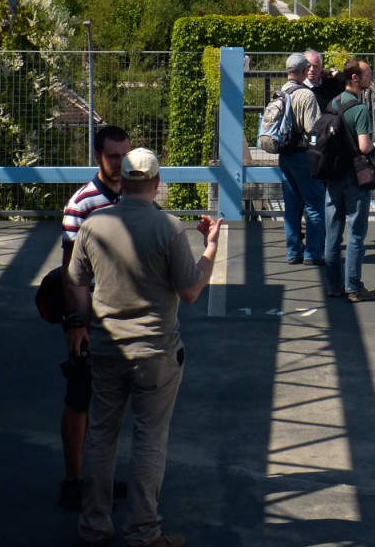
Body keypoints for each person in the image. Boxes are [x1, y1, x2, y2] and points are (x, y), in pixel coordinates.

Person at [67, 147, 223, 547]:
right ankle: (143, 532)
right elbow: (191, 290)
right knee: (150, 439)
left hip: (106, 348)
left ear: (123, 180)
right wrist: (210, 248)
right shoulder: (168, 227)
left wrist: (87, 323)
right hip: (156, 352)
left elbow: (75, 281)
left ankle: (94, 525)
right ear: (156, 183)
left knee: (100, 435)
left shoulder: (94, 224)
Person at [58, 124, 131, 510]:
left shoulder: (135, 197)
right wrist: (76, 323)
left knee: (111, 403)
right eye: (112, 157)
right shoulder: (81, 204)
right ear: (98, 157)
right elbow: (71, 272)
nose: (120, 164)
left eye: (125, 156)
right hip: (91, 318)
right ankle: (74, 480)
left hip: (124, 317)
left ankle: (98, 475)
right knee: (79, 398)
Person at [324, 57, 375, 303]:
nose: (371, 77)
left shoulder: (333, 103)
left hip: (332, 174)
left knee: (333, 233)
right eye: (368, 73)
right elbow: (364, 146)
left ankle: (334, 285)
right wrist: (374, 147)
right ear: (355, 78)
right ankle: (354, 288)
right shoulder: (360, 109)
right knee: (356, 233)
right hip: (354, 177)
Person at [277, 53, 326, 265]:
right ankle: (313, 253)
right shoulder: (306, 95)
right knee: (315, 206)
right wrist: (317, 150)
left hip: (284, 155)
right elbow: (313, 130)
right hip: (303, 156)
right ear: (305, 70)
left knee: (291, 207)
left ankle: (293, 251)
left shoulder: (281, 92)